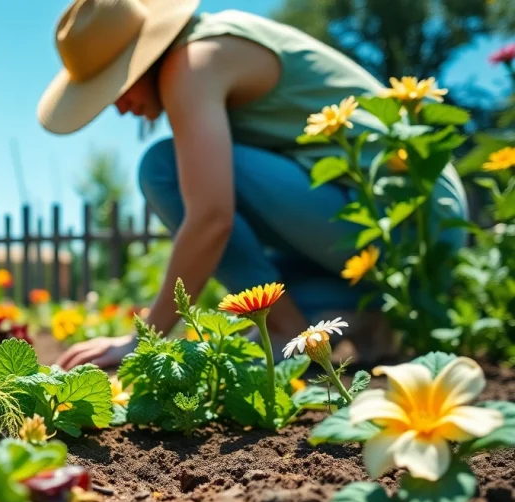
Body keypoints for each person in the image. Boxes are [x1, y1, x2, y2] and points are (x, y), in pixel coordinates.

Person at [40, 0, 467, 370]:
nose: (117, 107)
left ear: (145, 56)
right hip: (414, 236)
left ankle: (288, 334)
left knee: (162, 167)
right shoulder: (210, 43)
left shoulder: (192, 63)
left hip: (403, 215)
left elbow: (212, 218)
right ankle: (364, 320)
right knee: (296, 310)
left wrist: (142, 337)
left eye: (116, 85)